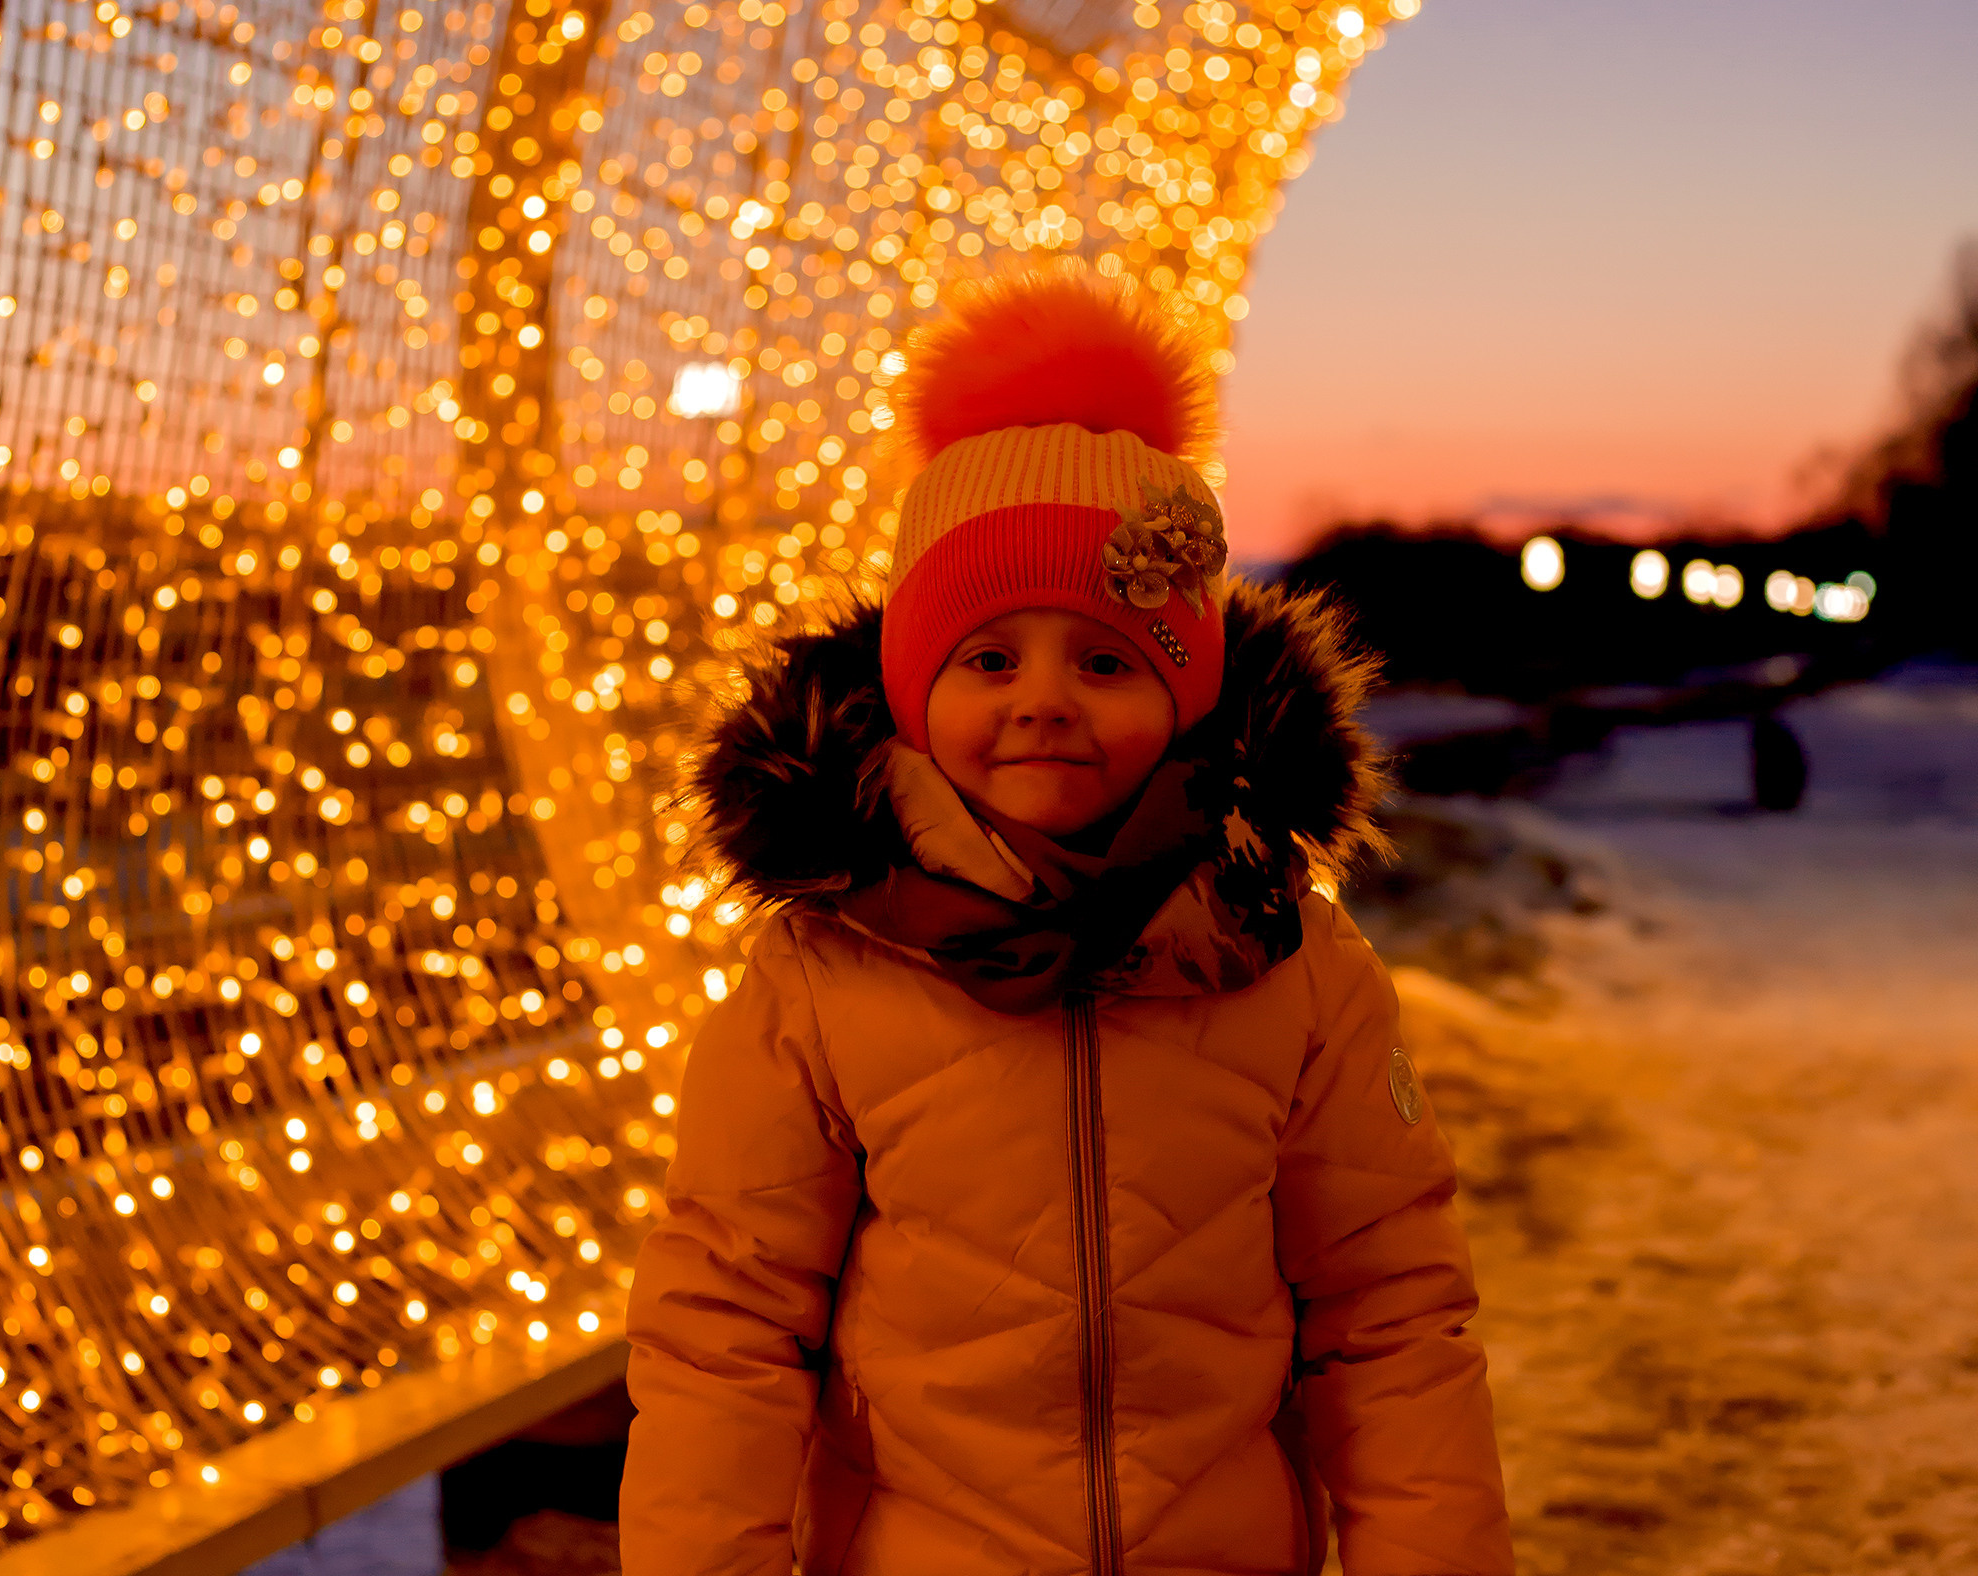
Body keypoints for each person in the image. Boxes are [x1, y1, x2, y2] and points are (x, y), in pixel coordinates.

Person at [620, 263, 1514, 1576]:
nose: (1043, 699)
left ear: (1187, 698)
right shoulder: (822, 977)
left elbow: (1388, 1317)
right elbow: (726, 1331)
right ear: (914, 689)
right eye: (989, 658)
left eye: (1105, 660)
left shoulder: (1292, 962)